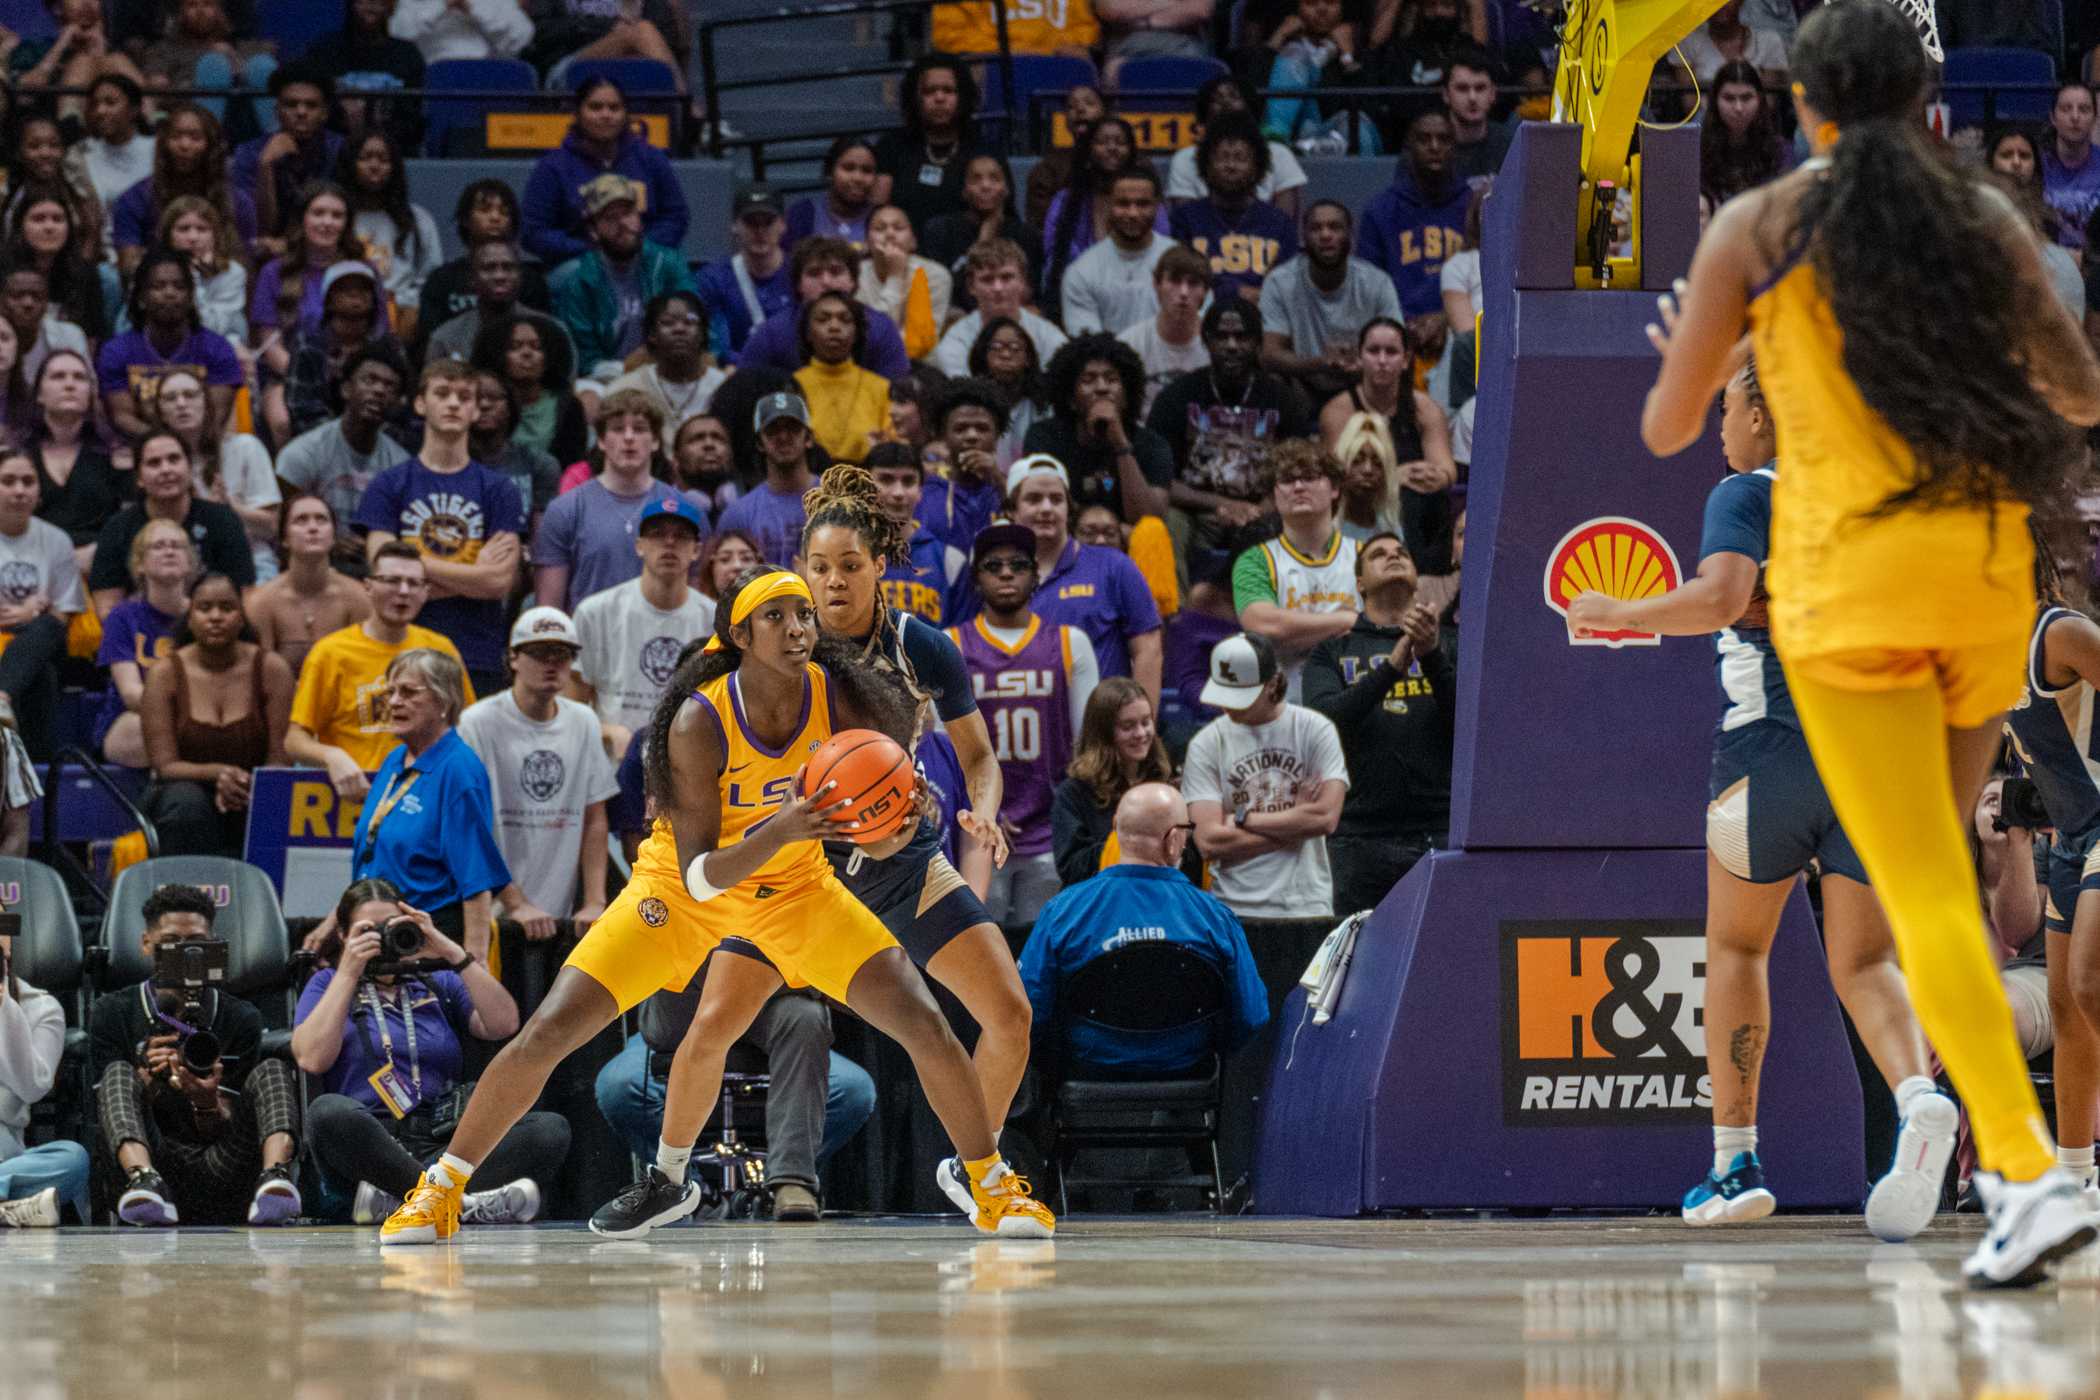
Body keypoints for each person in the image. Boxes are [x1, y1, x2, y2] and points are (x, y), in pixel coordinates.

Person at [1638, 0, 2100, 1287]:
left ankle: (2027, 1173)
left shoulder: (1761, 229)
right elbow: (2081, 394)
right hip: (1987, 583)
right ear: (1929, 102)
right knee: (1930, 887)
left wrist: (1730, 335)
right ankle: (2021, 1174)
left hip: (1858, 599)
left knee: (1933, 899)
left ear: (1804, 103)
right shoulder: (1990, 224)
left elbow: (1678, 427)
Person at [373, 566, 1053, 1243]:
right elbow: (700, 876)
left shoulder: (837, 695)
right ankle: (440, 1191)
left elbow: (881, 808)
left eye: (804, 616)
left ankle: (991, 1188)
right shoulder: (699, 721)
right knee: (551, 1029)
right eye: (777, 617)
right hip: (678, 895)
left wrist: (892, 820)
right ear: (740, 634)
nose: (797, 629)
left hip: (793, 894)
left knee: (924, 1023)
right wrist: (782, 829)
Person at [1574, 357, 1959, 1240]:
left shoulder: (1748, 492)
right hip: (1878, 757)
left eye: (1726, 409)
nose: (1719, 429)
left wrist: (1616, 611)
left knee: (1738, 947)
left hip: (1772, 752)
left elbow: (1719, 597)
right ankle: (1916, 1095)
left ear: (1764, 414)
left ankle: (1734, 1163)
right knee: (1864, 964)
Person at [796, 471, 1038, 1201]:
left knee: (1009, 1014)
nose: (833, 582)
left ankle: (978, 1168)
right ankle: (671, 1174)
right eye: (819, 568)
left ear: (878, 567)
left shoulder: (919, 645)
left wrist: (985, 813)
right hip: (804, 866)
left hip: (903, 856)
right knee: (713, 1022)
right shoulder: (781, 642)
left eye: (849, 566)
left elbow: (980, 760)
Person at [293, 878, 555, 1228]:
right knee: (327, 1113)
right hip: (370, 1143)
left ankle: (406, 1201)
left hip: (441, 1139)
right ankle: (458, 1204)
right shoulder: (327, 982)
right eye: (367, 930)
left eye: (392, 928)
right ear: (343, 935)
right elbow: (312, 1058)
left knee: (549, 1129)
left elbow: (503, 1024)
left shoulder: (436, 981)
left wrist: (449, 950)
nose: (382, 939)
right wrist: (348, 971)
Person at [89, 883, 304, 1227]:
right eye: (172, 942)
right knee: (118, 1071)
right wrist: (147, 1079)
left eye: (198, 945)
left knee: (273, 1069)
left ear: (214, 947)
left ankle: (274, 1179)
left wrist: (207, 1101)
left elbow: (235, 1117)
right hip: (153, 1158)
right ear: (147, 943)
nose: (186, 954)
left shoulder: (240, 1016)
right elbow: (102, 1112)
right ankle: (142, 1178)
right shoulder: (112, 1011)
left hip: (223, 1160)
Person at [594, 965, 876, 1221]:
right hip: (685, 1013)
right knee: (620, 1085)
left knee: (851, 1087)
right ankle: (680, 1186)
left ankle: (791, 1178)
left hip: (771, 1008)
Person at [1021, 781, 1269, 1068]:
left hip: (1087, 1070)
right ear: (1174, 838)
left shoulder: (1063, 912)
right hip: (1188, 1073)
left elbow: (1027, 1011)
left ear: (1116, 825)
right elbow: (1252, 1015)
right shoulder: (1215, 918)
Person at [1995, 553, 2100, 1217]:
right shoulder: (1987, 655)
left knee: (2090, 984)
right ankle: (2073, 1180)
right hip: (2070, 839)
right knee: (2067, 1010)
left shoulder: (2058, 632)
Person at [949, 521, 1096, 925]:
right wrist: (983, 811)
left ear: (1036, 574)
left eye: (1018, 564)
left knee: (1041, 953)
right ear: (976, 579)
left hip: (1050, 829)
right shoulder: (952, 646)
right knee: (981, 955)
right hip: (977, 829)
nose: (1006, 573)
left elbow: (1089, 747)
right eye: (993, 566)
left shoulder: (1070, 643)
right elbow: (944, 752)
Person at [357, 358, 526, 696]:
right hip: (401, 646)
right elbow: (383, 571)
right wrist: (470, 572)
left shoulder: (499, 490)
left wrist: (414, 575)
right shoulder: (388, 485)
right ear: (420, 403)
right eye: (442, 393)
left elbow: (498, 581)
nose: (453, 403)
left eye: (464, 397)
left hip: (476, 649)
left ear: (475, 411)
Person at [1303, 529, 1449, 912]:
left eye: (1403, 551)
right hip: (1359, 836)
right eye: (1379, 554)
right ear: (1359, 583)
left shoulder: (1450, 642)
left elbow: (1471, 723)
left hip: (1439, 830)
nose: (1394, 556)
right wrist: (1394, 666)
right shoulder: (1331, 652)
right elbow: (1326, 724)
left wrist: (1431, 656)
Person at [459, 607, 618, 937]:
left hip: (559, 915)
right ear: (513, 658)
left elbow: (594, 817)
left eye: (563, 654)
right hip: (491, 913)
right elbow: (470, 825)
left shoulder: (583, 720)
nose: (552, 663)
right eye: (540, 652)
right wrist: (515, 902)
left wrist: (594, 901)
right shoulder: (478, 722)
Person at [1148, 300, 1316, 601]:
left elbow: (1302, 471)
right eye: (1221, 337)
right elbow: (1160, 480)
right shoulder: (1177, 396)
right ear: (1206, 341)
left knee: (1294, 518)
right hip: (1195, 508)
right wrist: (1220, 504)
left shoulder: (1282, 398)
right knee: (1167, 522)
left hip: (1264, 509)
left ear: (1257, 343)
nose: (1231, 346)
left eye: (1242, 337)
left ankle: (1274, 622)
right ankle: (1177, 620)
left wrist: (1263, 507)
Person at [349, 647, 510, 959]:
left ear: (444, 700)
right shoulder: (395, 759)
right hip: (378, 940)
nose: (394, 702)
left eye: (409, 692)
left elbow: (475, 883)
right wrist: (331, 925)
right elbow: (370, 859)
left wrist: (473, 970)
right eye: (391, 692)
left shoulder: (458, 769)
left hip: (427, 947)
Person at [1183, 630, 1346, 920]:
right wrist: (1295, 827)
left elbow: (1325, 818)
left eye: (1241, 697)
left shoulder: (1315, 729)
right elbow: (1209, 841)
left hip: (1305, 904)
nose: (1228, 706)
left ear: (1272, 685)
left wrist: (1244, 819)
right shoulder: (1206, 743)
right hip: (1232, 907)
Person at [287, 542, 470, 797]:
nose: (404, 591)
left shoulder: (442, 651)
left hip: (425, 796)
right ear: (368, 586)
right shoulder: (330, 653)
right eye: (392, 580)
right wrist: (331, 756)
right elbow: (295, 741)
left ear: (426, 591)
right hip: (353, 800)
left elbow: (467, 728)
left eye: (413, 583)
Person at [136, 572, 291, 856]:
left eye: (227, 607)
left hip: (252, 789)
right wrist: (218, 773)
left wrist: (241, 784)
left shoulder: (272, 669)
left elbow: (279, 760)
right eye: (204, 608)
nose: (216, 617)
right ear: (190, 617)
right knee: (187, 804)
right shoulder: (165, 673)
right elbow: (165, 765)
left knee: (272, 802)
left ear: (242, 616)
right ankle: (184, 896)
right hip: (179, 792)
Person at [1001, 454, 1163, 705]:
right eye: (1033, 499)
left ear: (1069, 508)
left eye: (1056, 499)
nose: (1046, 508)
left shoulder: (1114, 566)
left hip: (1102, 732)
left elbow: (1148, 650)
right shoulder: (997, 577)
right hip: (1030, 726)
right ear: (1011, 511)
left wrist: (1144, 727)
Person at [533, 390, 698, 613]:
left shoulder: (685, 511)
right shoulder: (565, 509)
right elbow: (549, 610)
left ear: (656, 441)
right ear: (601, 440)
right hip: (588, 642)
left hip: (664, 643)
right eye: (618, 429)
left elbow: (697, 596)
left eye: (639, 429)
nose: (629, 437)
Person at [571, 495, 714, 752]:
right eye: (658, 534)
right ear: (639, 545)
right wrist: (606, 732)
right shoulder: (595, 612)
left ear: (696, 550)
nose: (669, 543)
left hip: (688, 762)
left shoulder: (714, 619)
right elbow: (570, 707)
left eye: (681, 536)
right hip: (613, 765)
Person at [1318, 317, 1457, 567]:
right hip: (1358, 505)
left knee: (1431, 499)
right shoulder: (1337, 411)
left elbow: (1448, 470)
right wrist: (1392, 477)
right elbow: (1334, 477)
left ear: (1405, 360)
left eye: (1391, 352)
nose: (1382, 360)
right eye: (1373, 351)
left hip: (1412, 506)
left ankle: (1427, 574)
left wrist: (1436, 476)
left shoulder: (1424, 409)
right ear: (1359, 358)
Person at [1232, 439, 1360, 698]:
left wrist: (1295, 632)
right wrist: (1348, 620)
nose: (1299, 486)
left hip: (1356, 699)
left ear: (1334, 488)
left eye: (1310, 477)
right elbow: (1264, 627)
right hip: (1284, 705)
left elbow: (1385, 626)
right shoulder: (1255, 560)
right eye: (1288, 480)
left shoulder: (1365, 555)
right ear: (1274, 495)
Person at [548, 174, 698, 389]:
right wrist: (629, 369)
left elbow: (697, 323)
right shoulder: (580, 281)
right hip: (605, 378)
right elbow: (585, 358)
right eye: (610, 217)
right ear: (593, 231)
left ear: (639, 218)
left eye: (628, 213)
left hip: (669, 369)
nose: (622, 223)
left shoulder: (668, 264)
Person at [521, 78, 690, 267]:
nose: (605, 114)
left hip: (644, 259)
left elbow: (675, 217)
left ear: (625, 114)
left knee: (675, 270)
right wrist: (589, 250)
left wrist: (637, 247)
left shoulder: (651, 159)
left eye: (614, 108)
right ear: (577, 113)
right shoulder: (553, 166)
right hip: (580, 263)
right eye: (595, 107)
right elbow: (533, 232)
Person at [87, 431, 255, 618]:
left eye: (174, 459)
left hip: (212, 631)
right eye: (154, 463)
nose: (166, 469)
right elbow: (107, 609)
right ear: (139, 478)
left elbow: (244, 597)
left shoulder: (222, 520)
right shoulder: (117, 528)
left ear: (190, 469)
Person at [1024, 335, 1172, 524]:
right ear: (1071, 399)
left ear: (1126, 397)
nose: (1102, 388)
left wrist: (1121, 445)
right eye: (1088, 380)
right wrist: (1109, 527)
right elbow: (1043, 507)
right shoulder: (1044, 437)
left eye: (1111, 379)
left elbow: (1148, 521)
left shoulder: (1152, 444)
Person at [99, 248, 242, 440]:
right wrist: (166, 444)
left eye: (179, 286)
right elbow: (123, 418)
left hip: (203, 447)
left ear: (191, 297)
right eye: (158, 286)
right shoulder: (116, 352)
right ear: (141, 297)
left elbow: (215, 419)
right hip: (142, 451)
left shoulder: (217, 349)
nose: (169, 293)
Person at [275, 342, 412, 542]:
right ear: (346, 389)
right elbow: (282, 526)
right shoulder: (302, 453)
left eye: (389, 386)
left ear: (398, 402)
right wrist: (333, 544)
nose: (379, 391)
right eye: (369, 380)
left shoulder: (401, 465)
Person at [1051, 676, 1182, 885]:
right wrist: (1132, 839)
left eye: (1146, 722)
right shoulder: (1074, 792)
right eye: (1128, 726)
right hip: (1099, 905)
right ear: (1103, 733)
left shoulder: (1162, 784)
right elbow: (1072, 868)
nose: (1140, 733)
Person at [0, 923, 88, 1227]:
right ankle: (10, 1206)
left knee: (72, 1159)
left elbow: (32, 1088)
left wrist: (4, 1006)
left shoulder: (41, 1006)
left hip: (5, 1153)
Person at [152, 369, 278, 579]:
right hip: (186, 568)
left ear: (207, 404)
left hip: (253, 560)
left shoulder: (246, 448)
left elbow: (271, 527)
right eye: (170, 398)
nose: (181, 403)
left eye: (190, 395)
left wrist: (229, 509)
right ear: (161, 413)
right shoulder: (158, 464)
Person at [0, 450, 84, 761]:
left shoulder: (57, 540)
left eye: (28, 481)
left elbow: (64, 613)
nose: (19, 490)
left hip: (41, 635)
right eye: (8, 481)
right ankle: (35, 769)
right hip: (22, 654)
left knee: (49, 625)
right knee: (42, 676)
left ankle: (2, 695)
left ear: (38, 491)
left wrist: (31, 615)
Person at [109, 104, 257, 278]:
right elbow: (128, 265)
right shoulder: (135, 198)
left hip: (220, 286)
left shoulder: (237, 200)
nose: (184, 145)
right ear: (163, 143)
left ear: (211, 145)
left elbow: (245, 265)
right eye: (176, 137)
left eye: (195, 138)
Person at [736, 237, 913, 382]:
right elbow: (742, 390)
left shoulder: (881, 328)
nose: (826, 281)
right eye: (814, 273)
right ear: (799, 284)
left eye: (836, 272)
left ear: (853, 281)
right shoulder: (772, 333)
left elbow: (899, 395)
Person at [1169, 113, 1297, 305]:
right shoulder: (1185, 219)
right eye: (1222, 158)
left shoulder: (1280, 223)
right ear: (1206, 165)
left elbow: (1287, 285)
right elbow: (1180, 278)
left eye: (1240, 158)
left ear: (1257, 167)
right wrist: (1235, 291)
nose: (1230, 166)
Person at [1357, 110, 1470, 320]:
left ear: (1455, 148)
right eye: (1424, 139)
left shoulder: (1475, 208)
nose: (1434, 147)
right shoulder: (1380, 210)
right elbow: (1368, 288)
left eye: (1443, 139)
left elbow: (1488, 285)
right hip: (1398, 330)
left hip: (1462, 328)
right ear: (1409, 149)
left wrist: (1444, 320)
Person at [416, 181, 553, 352]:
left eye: (504, 212)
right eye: (485, 210)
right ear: (466, 219)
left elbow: (545, 337)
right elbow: (429, 339)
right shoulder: (441, 280)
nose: (495, 217)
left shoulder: (530, 279)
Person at [1042, 118, 1164, 309]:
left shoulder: (1147, 198)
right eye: (1102, 142)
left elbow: (1160, 247)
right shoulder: (1065, 200)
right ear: (1089, 149)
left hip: (1138, 295)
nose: (1112, 148)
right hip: (1077, 295)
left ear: (1131, 150)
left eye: (1120, 142)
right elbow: (1056, 253)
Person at [870, 55, 997, 238]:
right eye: (929, 91)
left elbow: (999, 214)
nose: (939, 98)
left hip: (967, 255)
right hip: (909, 258)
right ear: (915, 98)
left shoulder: (983, 149)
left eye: (948, 90)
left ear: (962, 97)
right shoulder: (892, 146)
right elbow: (879, 211)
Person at [338, 128, 444, 342]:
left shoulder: (417, 218)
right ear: (350, 164)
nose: (375, 166)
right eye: (365, 158)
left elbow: (431, 276)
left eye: (383, 159)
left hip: (403, 316)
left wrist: (409, 306)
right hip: (344, 314)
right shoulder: (336, 215)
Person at [249, 493, 372, 676]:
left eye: (321, 520)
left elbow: (363, 672)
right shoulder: (262, 602)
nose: (313, 528)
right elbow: (262, 679)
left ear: (333, 536)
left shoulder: (358, 598)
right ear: (284, 538)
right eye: (301, 520)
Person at [24, 351, 121, 575]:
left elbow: (129, 520)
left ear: (90, 392)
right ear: (39, 393)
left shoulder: (115, 454)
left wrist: (100, 553)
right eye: (58, 376)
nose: (70, 384)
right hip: (30, 568)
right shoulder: (19, 455)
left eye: (79, 377)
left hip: (101, 567)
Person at [231, 65, 347, 249]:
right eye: (291, 105)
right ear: (277, 111)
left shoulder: (342, 149)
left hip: (328, 247)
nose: (301, 112)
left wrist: (291, 245)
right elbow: (258, 229)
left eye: (311, 105)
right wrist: (265, 166)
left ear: (324, 113)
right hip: (269, 250)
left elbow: (344, 219)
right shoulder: (249, 152)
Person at [605, 290, 725, 453]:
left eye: (689, 322)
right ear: (652, 335)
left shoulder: (724, 389)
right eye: (668, 323)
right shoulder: (626, 389)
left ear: (703, 333)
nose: (679, 329)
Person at [1062, 166, 1175, 337]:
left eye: (1142, 204)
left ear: (1158, 206)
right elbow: (1088, 346)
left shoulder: (1181, 264)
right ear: (1108, 205)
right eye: (1123, 204)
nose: (1133, 213)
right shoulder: (1081, 272)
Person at [862, 442, 966, 625]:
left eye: (908, 481)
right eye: (886, 480)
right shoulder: (846, 557)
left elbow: (960, 640)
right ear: (864, 488)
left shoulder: (951, 560)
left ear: (920, 490)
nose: (898, 493)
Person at [933, 239, 1068, 376]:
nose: (998, 288)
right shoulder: (956, 342)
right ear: (971, 287)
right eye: (987, 279)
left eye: (1006, 277)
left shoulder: (1050, 338)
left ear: (1022, 281)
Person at [921, 157, 1043, 307]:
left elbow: (1029, 292)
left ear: (1006, 189)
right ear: (964, 190)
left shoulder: (1026, 235)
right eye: (976, 179)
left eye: (995, 179)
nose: (985, 186)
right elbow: (945, 292)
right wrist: (983, 240)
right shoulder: (940, 229)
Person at [473, 309, 588, 469]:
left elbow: (573, 465)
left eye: (537, 347)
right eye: (515, 347)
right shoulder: (477, 403)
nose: (527, 353)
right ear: (498, 355)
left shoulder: (568, 406)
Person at [717, 391, 818, 567]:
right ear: (759, 443)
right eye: (773, 430)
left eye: (793, 428)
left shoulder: (837, 500)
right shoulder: (738, 515)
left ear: (808, 438)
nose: (783, 437)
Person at [313, 0, 428, 151]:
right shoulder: (325, 50)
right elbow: (314, 105)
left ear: (391, 8)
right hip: (335, 147)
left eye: (379, 2)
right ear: (351, 5)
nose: (371, 7)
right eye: (364, 1)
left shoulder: (408, 54)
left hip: (394, 149)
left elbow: (412, 118)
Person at [792, 292, 891, 466]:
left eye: (845, 320)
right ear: (808, 333)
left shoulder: (880, 387)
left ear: (856, 333)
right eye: (823, 319)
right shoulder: (793, 384)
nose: (834, 327)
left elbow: (893, 449)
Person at [694, 186, 793, 361]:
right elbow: (715, 344)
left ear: (783, 225)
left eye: (768, 222)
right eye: (751, 222)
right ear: (734, 225)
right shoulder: (713, 279)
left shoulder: (800, 273)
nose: (760, 231)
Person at [1119, 244, 1212, 414]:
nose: (1184, 292)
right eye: (1175, 281)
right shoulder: (1129, 344)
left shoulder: (1216, 345)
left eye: (1193, 283)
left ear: (1205, 292)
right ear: (1157, 285)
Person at [857, 206, 951, 360]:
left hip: (921, 367)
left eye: (898, 228)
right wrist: (895, 278)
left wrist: (895, 276)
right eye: (880, 228)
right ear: (866, 242)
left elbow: (919, 342)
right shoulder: (855, 275)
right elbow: (871, 339)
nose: (889, 234)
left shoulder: (936, 276)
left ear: (913, 241)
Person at [473, 371, 563, 525]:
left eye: (494, 398)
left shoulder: (539, 464)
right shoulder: (447, 465)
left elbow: (542, 533)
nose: (484, 405)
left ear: (510, 407)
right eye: (475, 398)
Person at [158, 194, 249, 341]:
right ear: (168, 235)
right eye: (183, 229)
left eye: (202, 229)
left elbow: (215, 329)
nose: (193, 237)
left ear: (215, 235)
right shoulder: (150, 269)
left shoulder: (232, 273)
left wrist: (192, 280)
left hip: (211, 349)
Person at [1701, 61, 1792, 208]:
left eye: (1746, 98)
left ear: (1760, 99)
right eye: (1729, 98)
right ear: (1715, 101)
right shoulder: (1697, 149)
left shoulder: (1780, 150)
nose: (1738, 108)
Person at [69, 72, 155, 218]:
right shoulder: (80, 154)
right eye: (94, 104)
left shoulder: (156, 149)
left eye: (110, 103)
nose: (100, 111)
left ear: (134, 109)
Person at [784, 136, 880, 253]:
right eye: (848, 168)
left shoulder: (883, 218)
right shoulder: (802, 215)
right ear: (829, 172)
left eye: (867, 170)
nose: (858, 178)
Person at [4, 264, 90, 392]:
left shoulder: (69, 336)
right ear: (2, 300)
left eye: (37, 296)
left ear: (46, 304)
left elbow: (86, 391)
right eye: (18, 296)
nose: (28, 303)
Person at [2042, 81, 2100, 260]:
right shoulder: (2035, 163)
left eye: (2084, 110)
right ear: (2053, 117)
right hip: (2047, 265)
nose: (2075, 117)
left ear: (2095, 118)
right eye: (2066, 109)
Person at [1676, 0, 1788, 90]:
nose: (1718, 4)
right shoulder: (1687, 42)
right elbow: (1689, 102)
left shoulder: (1769, 42)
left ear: (1741, 1)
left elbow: (1769, 102)